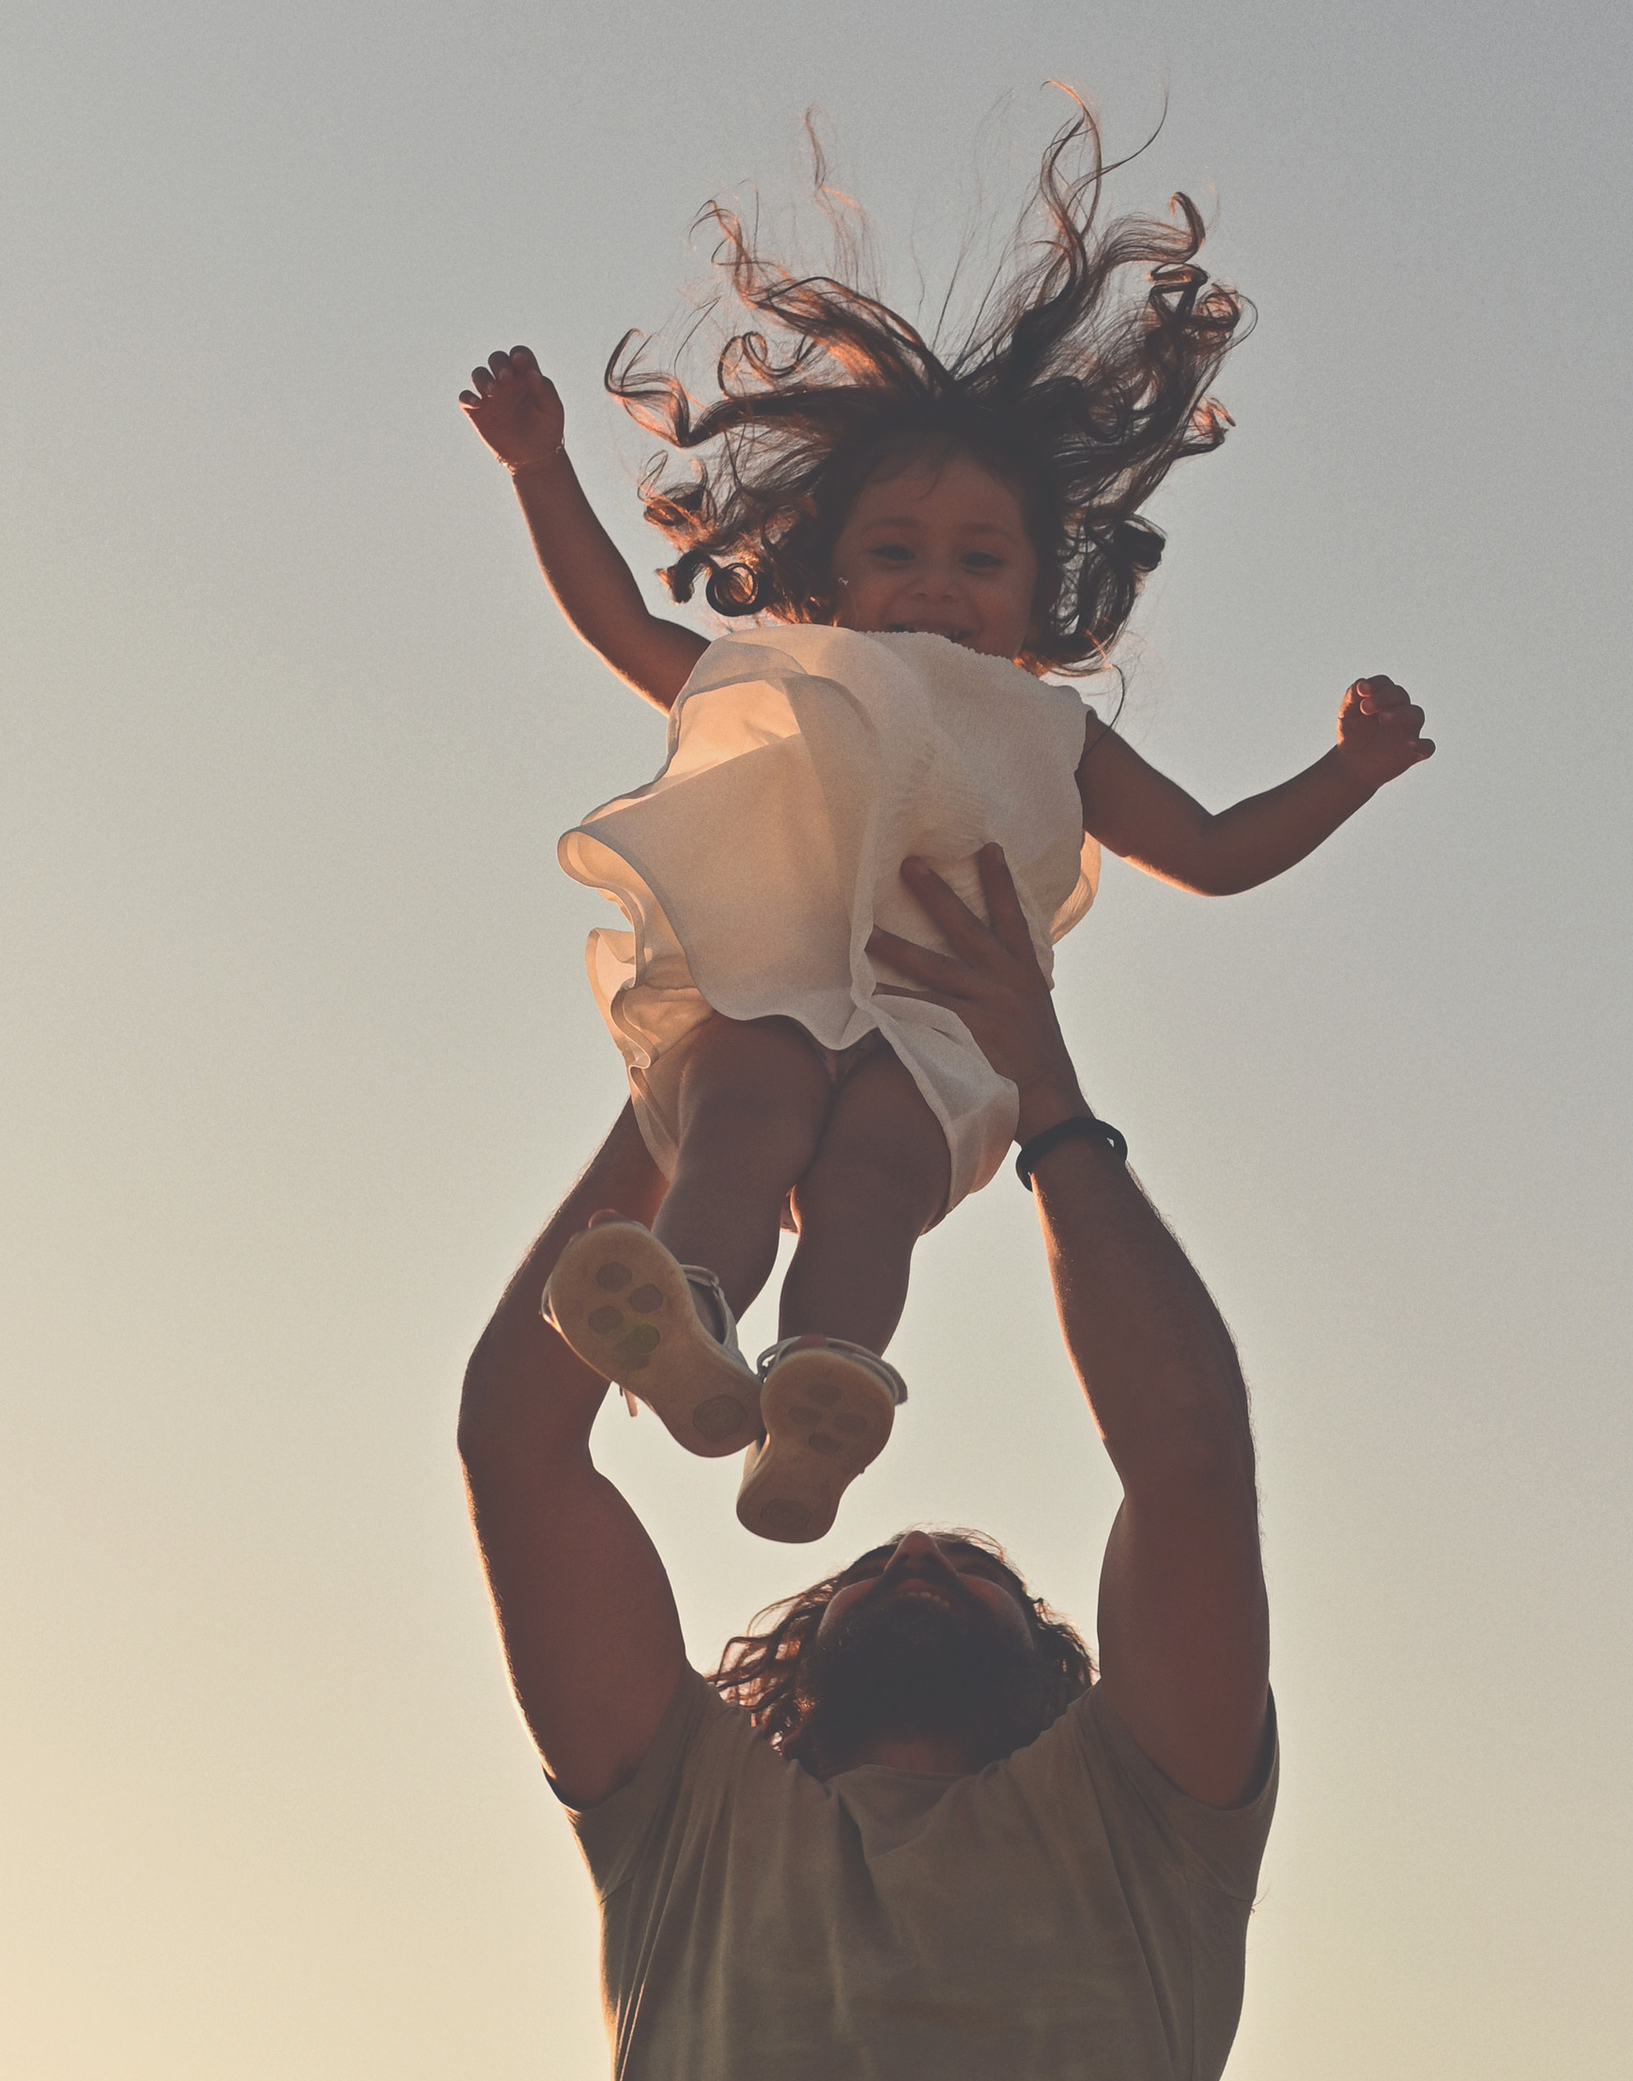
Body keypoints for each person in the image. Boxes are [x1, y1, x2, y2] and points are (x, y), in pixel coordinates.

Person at [459, 844, 1276, 2081]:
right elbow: (525, 1446)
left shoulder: (1145, 1833)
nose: (915, 1548)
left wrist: (1046, 1096)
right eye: (886, 1558)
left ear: (1066, 1675)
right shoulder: (685, 1835)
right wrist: (678, 1093)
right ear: (789, 1658)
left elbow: (1189, 1461)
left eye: (965, 1567)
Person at [461, 102, 1430, 1539]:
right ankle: (689, 1328)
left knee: (878, 1185)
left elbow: (1216, 854)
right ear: (834, 579)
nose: (933, 583)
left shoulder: (1054, 731)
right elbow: (622, 626)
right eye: (895, 553)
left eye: (979, 559)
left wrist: (1347, 774)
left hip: (937, 1023)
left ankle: (821, 1393)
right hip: (770, 980)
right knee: (738, 1122)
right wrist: (540, 470)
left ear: (1043, 597)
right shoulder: (793, 674)